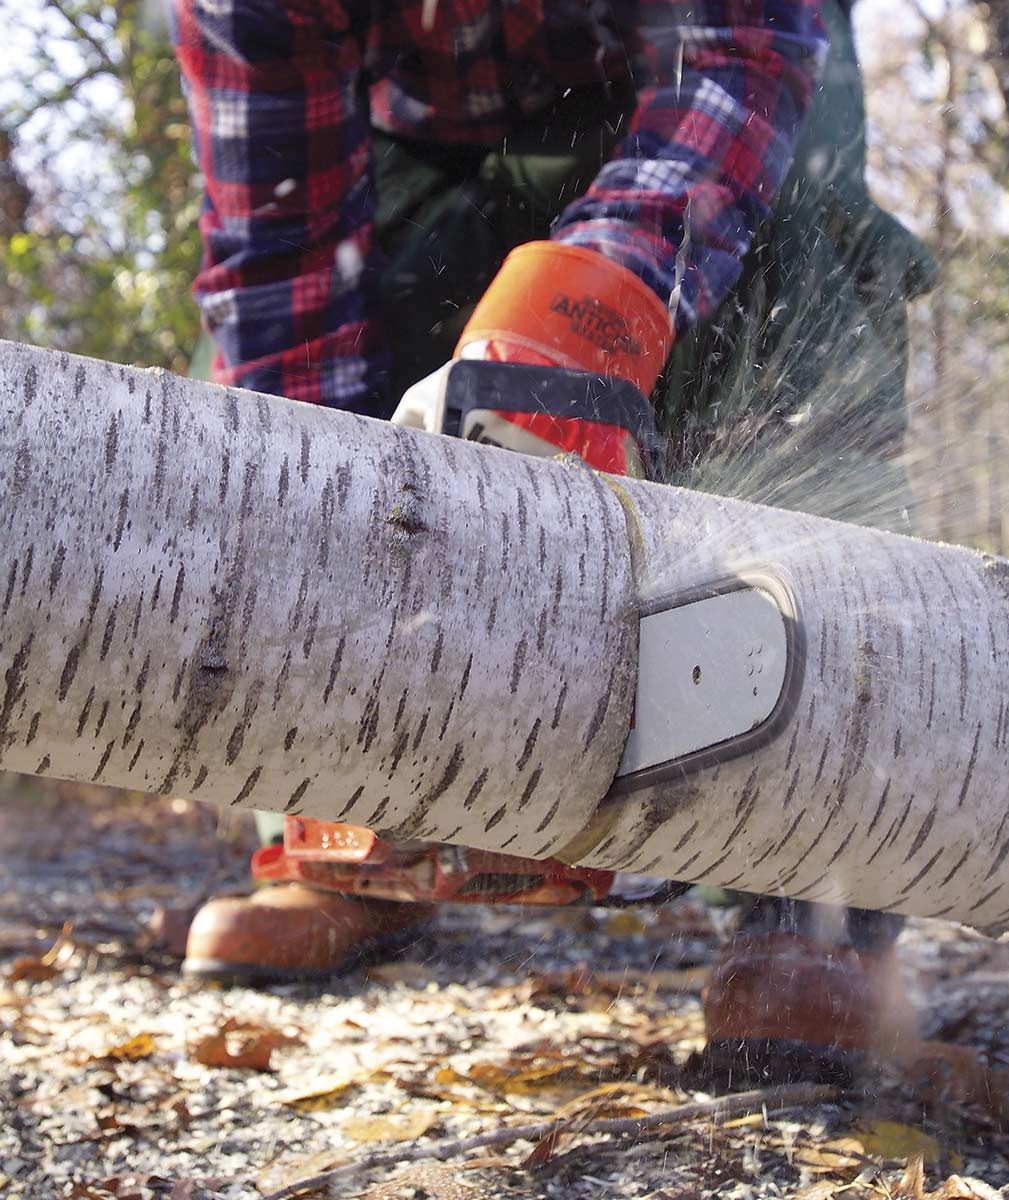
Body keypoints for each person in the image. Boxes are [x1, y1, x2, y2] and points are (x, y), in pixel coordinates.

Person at [170, 0, 939, 1084]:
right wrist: (310, 522)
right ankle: (339, 834)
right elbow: (279, 269)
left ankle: (813, 897)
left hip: (719, 73)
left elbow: (743, 52)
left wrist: (588, 306)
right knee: (334, 332)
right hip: (415, 140)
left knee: (797, 265)